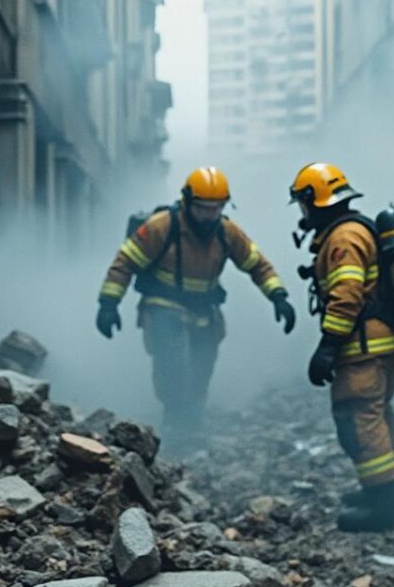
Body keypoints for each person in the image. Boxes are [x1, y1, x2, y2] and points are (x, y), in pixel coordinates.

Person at [96, 167, 295, 447]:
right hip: (163, 304)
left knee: (203, 365)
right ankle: (176, 422)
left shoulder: (227, 232)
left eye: (217, 208)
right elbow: (125, 261)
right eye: (203, 208)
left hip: (205, 310)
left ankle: (192, 421)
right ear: (188, 202)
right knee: (173, 363)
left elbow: (256, 264)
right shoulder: (161, 227)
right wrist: (108, 303)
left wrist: (278, 296)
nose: (209, 216)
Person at [290, 162, 394, 532]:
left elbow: (346, 294)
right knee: (378, 411)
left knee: (358, 418)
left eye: (303, 203)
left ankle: (384, 505)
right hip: (379, 341)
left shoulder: (343, 238)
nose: (302, 212)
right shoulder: (355, 229)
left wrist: (327, 346)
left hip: (362, 346)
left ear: (314, 199)